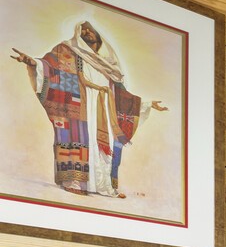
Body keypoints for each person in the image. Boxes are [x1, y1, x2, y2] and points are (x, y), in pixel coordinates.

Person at [11, 20, 166, 199]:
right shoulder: (67, 50)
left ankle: (104, 186)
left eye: (90, 30)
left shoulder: (109, 63)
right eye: (83, 30)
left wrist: (146, 103)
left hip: (105, 107)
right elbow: (50, 67)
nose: (87, 32)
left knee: (104, 144)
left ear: (98, 36)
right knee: (83, 138)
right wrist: (33, 63)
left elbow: (121, 93)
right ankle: (75, 181)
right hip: (82, 105)